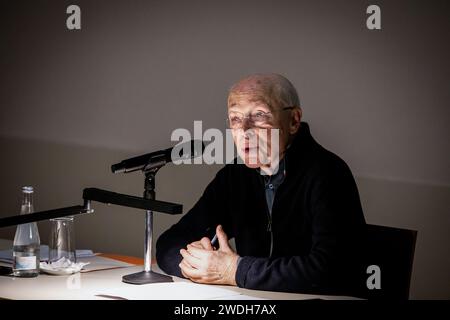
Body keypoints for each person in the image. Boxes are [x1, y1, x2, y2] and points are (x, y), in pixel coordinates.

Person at [156, 73, 366, 295]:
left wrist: (234, 270)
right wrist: (193, 264)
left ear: (293, 121)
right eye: (235, 118)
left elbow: (329, 269)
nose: (244, 131)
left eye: (258, 115)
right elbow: (169, 243)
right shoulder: (234, 177)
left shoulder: (328, 173)